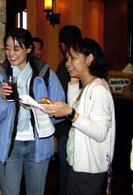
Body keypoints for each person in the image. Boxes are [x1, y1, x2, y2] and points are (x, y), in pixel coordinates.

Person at [0, 28, 65, 195]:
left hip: (38, 144)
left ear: (29, 49)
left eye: (16, 48)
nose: (11, 53)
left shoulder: (45, 74)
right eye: (7, 48)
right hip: (9, 146)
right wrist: (1, 98)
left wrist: (43, 109)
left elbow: (60, 110)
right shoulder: (0, 75)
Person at [43, 38, 115, 195]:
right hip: (77, 164)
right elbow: (77, 107)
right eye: (67, 58)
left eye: (73, 58)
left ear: (89, 59)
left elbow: (100, 132)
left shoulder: (98, 90)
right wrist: (74, 81)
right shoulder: (88, 86)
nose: (68, 63)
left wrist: (70, 113)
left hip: (88, 169)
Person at [55, 25, 82, 195]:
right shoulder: (89, 69)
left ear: (63, 45)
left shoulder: (65, 67)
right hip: (79, 128)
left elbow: (60, 98)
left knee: (67, 175)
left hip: (68, 127)